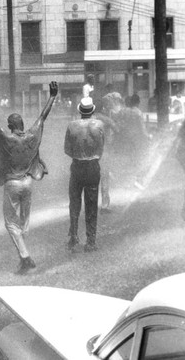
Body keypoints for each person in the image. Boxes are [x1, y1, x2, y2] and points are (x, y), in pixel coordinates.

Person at [0, 79, 59, 274]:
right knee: (23, 222)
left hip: (13, 183)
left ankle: (25, 258)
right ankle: (23, 252)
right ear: (22, 124)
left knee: (10, 222)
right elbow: (43, 116)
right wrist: (52, 96)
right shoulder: (32, 135)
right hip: (27, 182)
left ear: (9, 126)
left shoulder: (6, 137)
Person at [64, 97, 106, 252]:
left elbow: (66, 149)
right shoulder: (99, 125)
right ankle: (91, 241)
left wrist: (79, 154)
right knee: (92, 204)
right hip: (93, 167)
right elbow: (101, 148)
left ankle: (74, 236)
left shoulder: (72, 125)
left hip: (77, 166)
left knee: (74, 202)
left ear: (79, 110)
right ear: (93, 110)